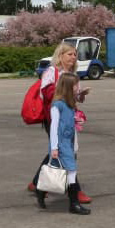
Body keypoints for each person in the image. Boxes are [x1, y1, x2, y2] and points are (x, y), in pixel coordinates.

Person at [30, 42, 92, 205]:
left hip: (68, 118)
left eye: (75, 54)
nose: (73, 57)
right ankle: (75, 191)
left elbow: (75, 97)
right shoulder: (52, 72)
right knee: (66, 151)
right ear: (60, 56)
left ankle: (38, 182)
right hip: (54, 117)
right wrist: (64, 89)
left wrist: (81, 95)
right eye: (70, 54)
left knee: (57, 149)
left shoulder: (73, 73)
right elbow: (46, 92)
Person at [37, 72, 90, 214]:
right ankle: (74, 204)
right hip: (60, 143)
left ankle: (41, 191)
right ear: (67, 87)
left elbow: (68, 122)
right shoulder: (57, 105)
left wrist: (77, 121)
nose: (78, 87)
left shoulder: (70, 104)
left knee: (58, 170)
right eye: (75, 85)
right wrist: (54, 147)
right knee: (71, 169)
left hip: (69, 141)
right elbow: (54, 128)